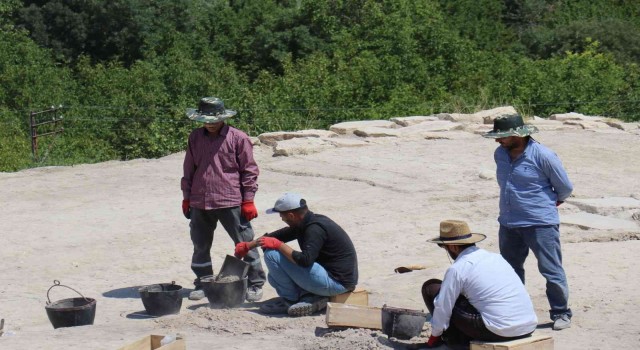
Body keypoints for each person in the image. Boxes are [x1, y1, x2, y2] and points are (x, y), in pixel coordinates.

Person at [483, 114, 573, 331]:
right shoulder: (500, 154)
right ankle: (515, 311)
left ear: (518, 135)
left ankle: (561, 312)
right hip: (508, 223)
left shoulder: (543, 155)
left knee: (551, 270)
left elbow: (565, 187)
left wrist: (548, 203)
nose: (498, 141)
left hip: (540, 223)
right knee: (511, 270)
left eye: (502, 136)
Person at [181, 96, 266, 301]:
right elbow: (189, 169)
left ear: (222, 117)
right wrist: (186, 197)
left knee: (245, 242)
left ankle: (255, 284)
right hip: (200, 200)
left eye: (214, 119)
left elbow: (249, 171)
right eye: (206, 120)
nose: (210, 124)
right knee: (200, 245)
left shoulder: (238, 138)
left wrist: (248, 200)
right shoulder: (195, 137)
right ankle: (203, 282)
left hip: (231, 200)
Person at [418, 220, 538, 349]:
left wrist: (434, 336)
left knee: (431, 288)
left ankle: (454, 343)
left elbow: (443, 306)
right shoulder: (496, 258)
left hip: (498, 331)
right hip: (528, 326)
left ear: (453, 246)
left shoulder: (458, 268)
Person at [234, 192, 358, 317]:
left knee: (272, 255)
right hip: (335, 279)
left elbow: (305, 260)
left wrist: (279, 245)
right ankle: (311, 297)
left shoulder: (314, 229)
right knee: (273, 277)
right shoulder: (306, 222)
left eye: (282, 216)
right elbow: (272, 237)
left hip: (337, 283)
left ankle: (290, 300)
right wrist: (248, 246)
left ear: (291, 215)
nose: (282, 219)